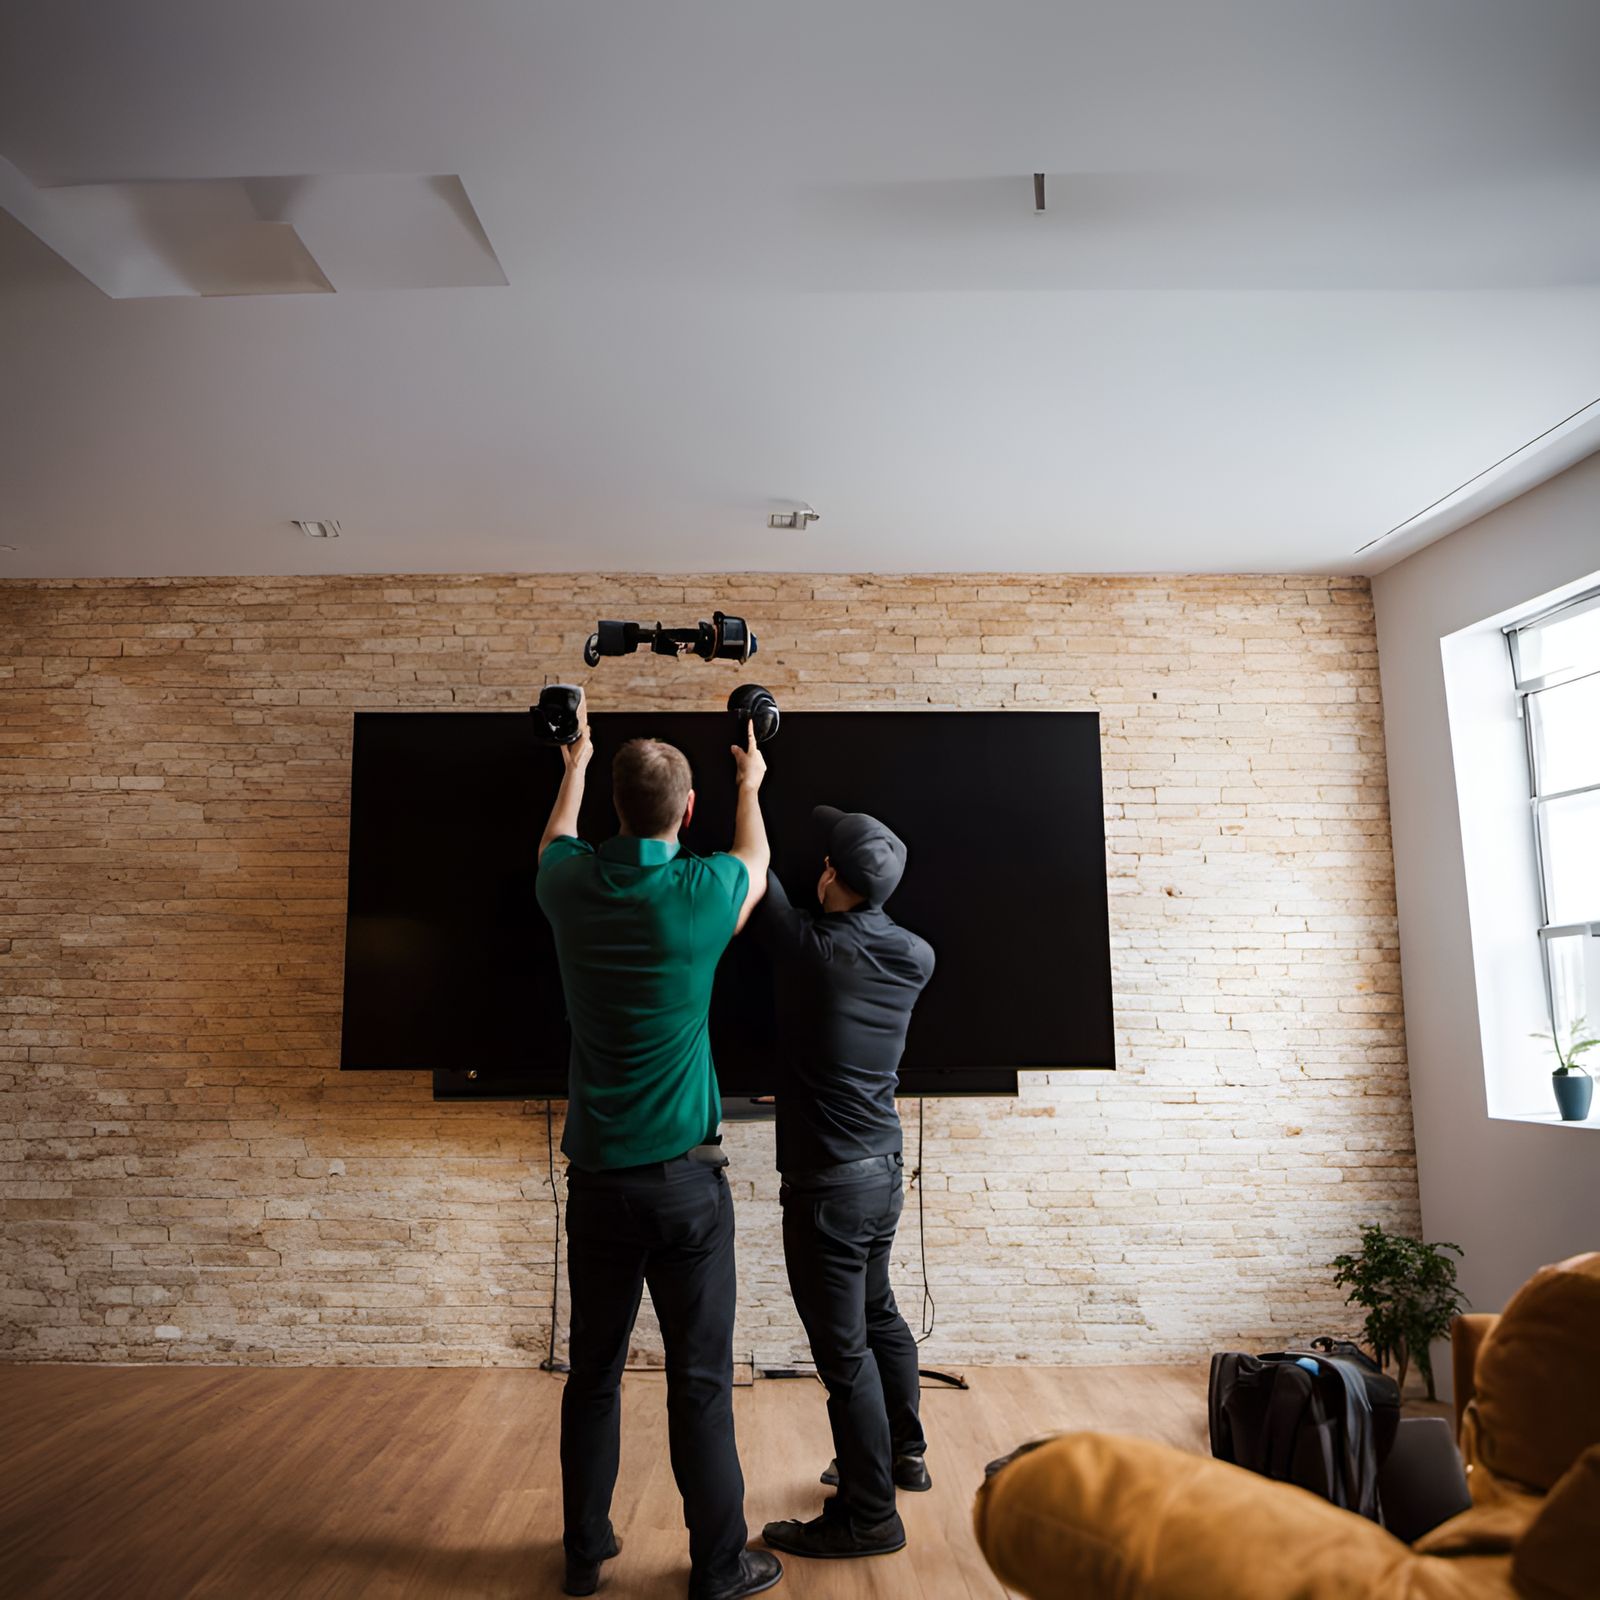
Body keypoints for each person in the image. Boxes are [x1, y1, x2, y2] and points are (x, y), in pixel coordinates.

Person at [535, 694, 783, 1600]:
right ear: (686, 812)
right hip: (686, 1191)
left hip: (600, 1187)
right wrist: (749, 782)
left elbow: (552, 840)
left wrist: (573, 765)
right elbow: (756, 861)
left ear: (612, 808)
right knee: (700, 1385)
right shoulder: (705, 891)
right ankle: (719, 1568)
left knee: (592, 1376)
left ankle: (583, 1555)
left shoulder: (564, 885)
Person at [752, 806, 936, 1562]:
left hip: (828, 1186)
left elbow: (750, 868)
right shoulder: (916, 955)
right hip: (884, 1172)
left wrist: (752, 781)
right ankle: (902, 1456)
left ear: (829, 875)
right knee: (880, 1315)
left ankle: (869, 1516)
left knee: (844, 1355)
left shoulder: (807, 949)